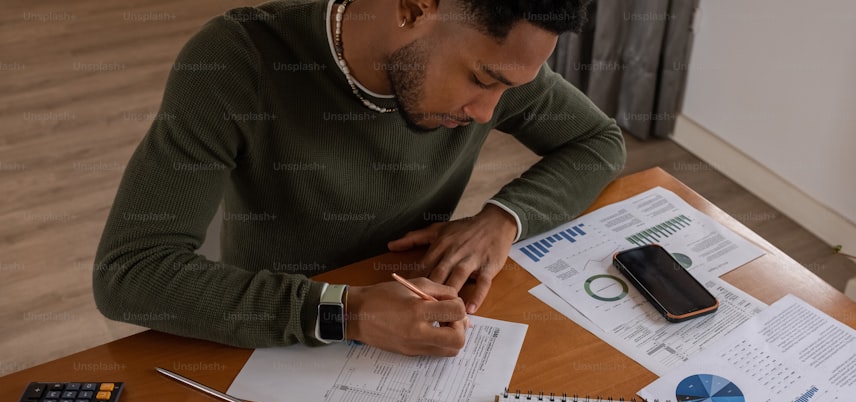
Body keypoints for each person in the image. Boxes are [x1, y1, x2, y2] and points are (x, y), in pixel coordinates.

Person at [93, 0, 625, 356]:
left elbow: (599, 143)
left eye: (507, 89)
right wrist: (348, 313)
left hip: (413, 318)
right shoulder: (239, 59)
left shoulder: (499, 57)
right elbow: (130, 273)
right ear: (415, 7)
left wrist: (504, 219)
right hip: (274, 326)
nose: (488, 112)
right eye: (482, 79)